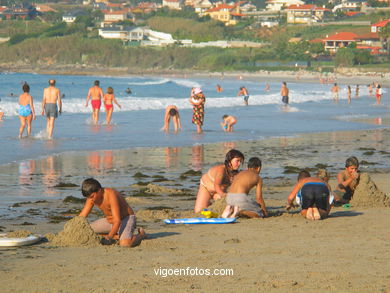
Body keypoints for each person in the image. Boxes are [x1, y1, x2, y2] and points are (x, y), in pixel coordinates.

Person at [79, 178, 146, 247]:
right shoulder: (91, 198)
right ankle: (117, 236)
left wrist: (109, 237)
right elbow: (82, 217)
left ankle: (141, 235)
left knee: (125, 244)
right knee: (86, 230)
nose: (90, 199)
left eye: (92, 196)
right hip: (110, 222)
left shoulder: (111, 195)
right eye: (88, 197)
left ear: (99, 190)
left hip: (126, 219)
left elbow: (117, 221)